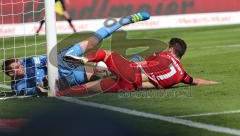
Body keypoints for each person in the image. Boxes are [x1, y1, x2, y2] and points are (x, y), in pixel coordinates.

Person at [2, 12, 150, 95]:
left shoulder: (27, 62)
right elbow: (39, 91)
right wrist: (44, 84)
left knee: (92, 43)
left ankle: (124, 21)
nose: (20, 66)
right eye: (17, 67)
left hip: (60, 64)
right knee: (108, 73)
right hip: (65, 79)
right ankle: (137, 62)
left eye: (19, 63)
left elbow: (43, 59)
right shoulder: (19, 87)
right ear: (10, 74)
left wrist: (48, 64)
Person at [58, 38, 219, 96]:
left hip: (131, 73)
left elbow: (142, 64)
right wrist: (214, 83)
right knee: (93, 88)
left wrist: (122, 65)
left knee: (106, 54)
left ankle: (82, 59)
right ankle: (59, 93)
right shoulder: (182, 75)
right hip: (132, 87)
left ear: (171, 49)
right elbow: (196, 81)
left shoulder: (163, 56)